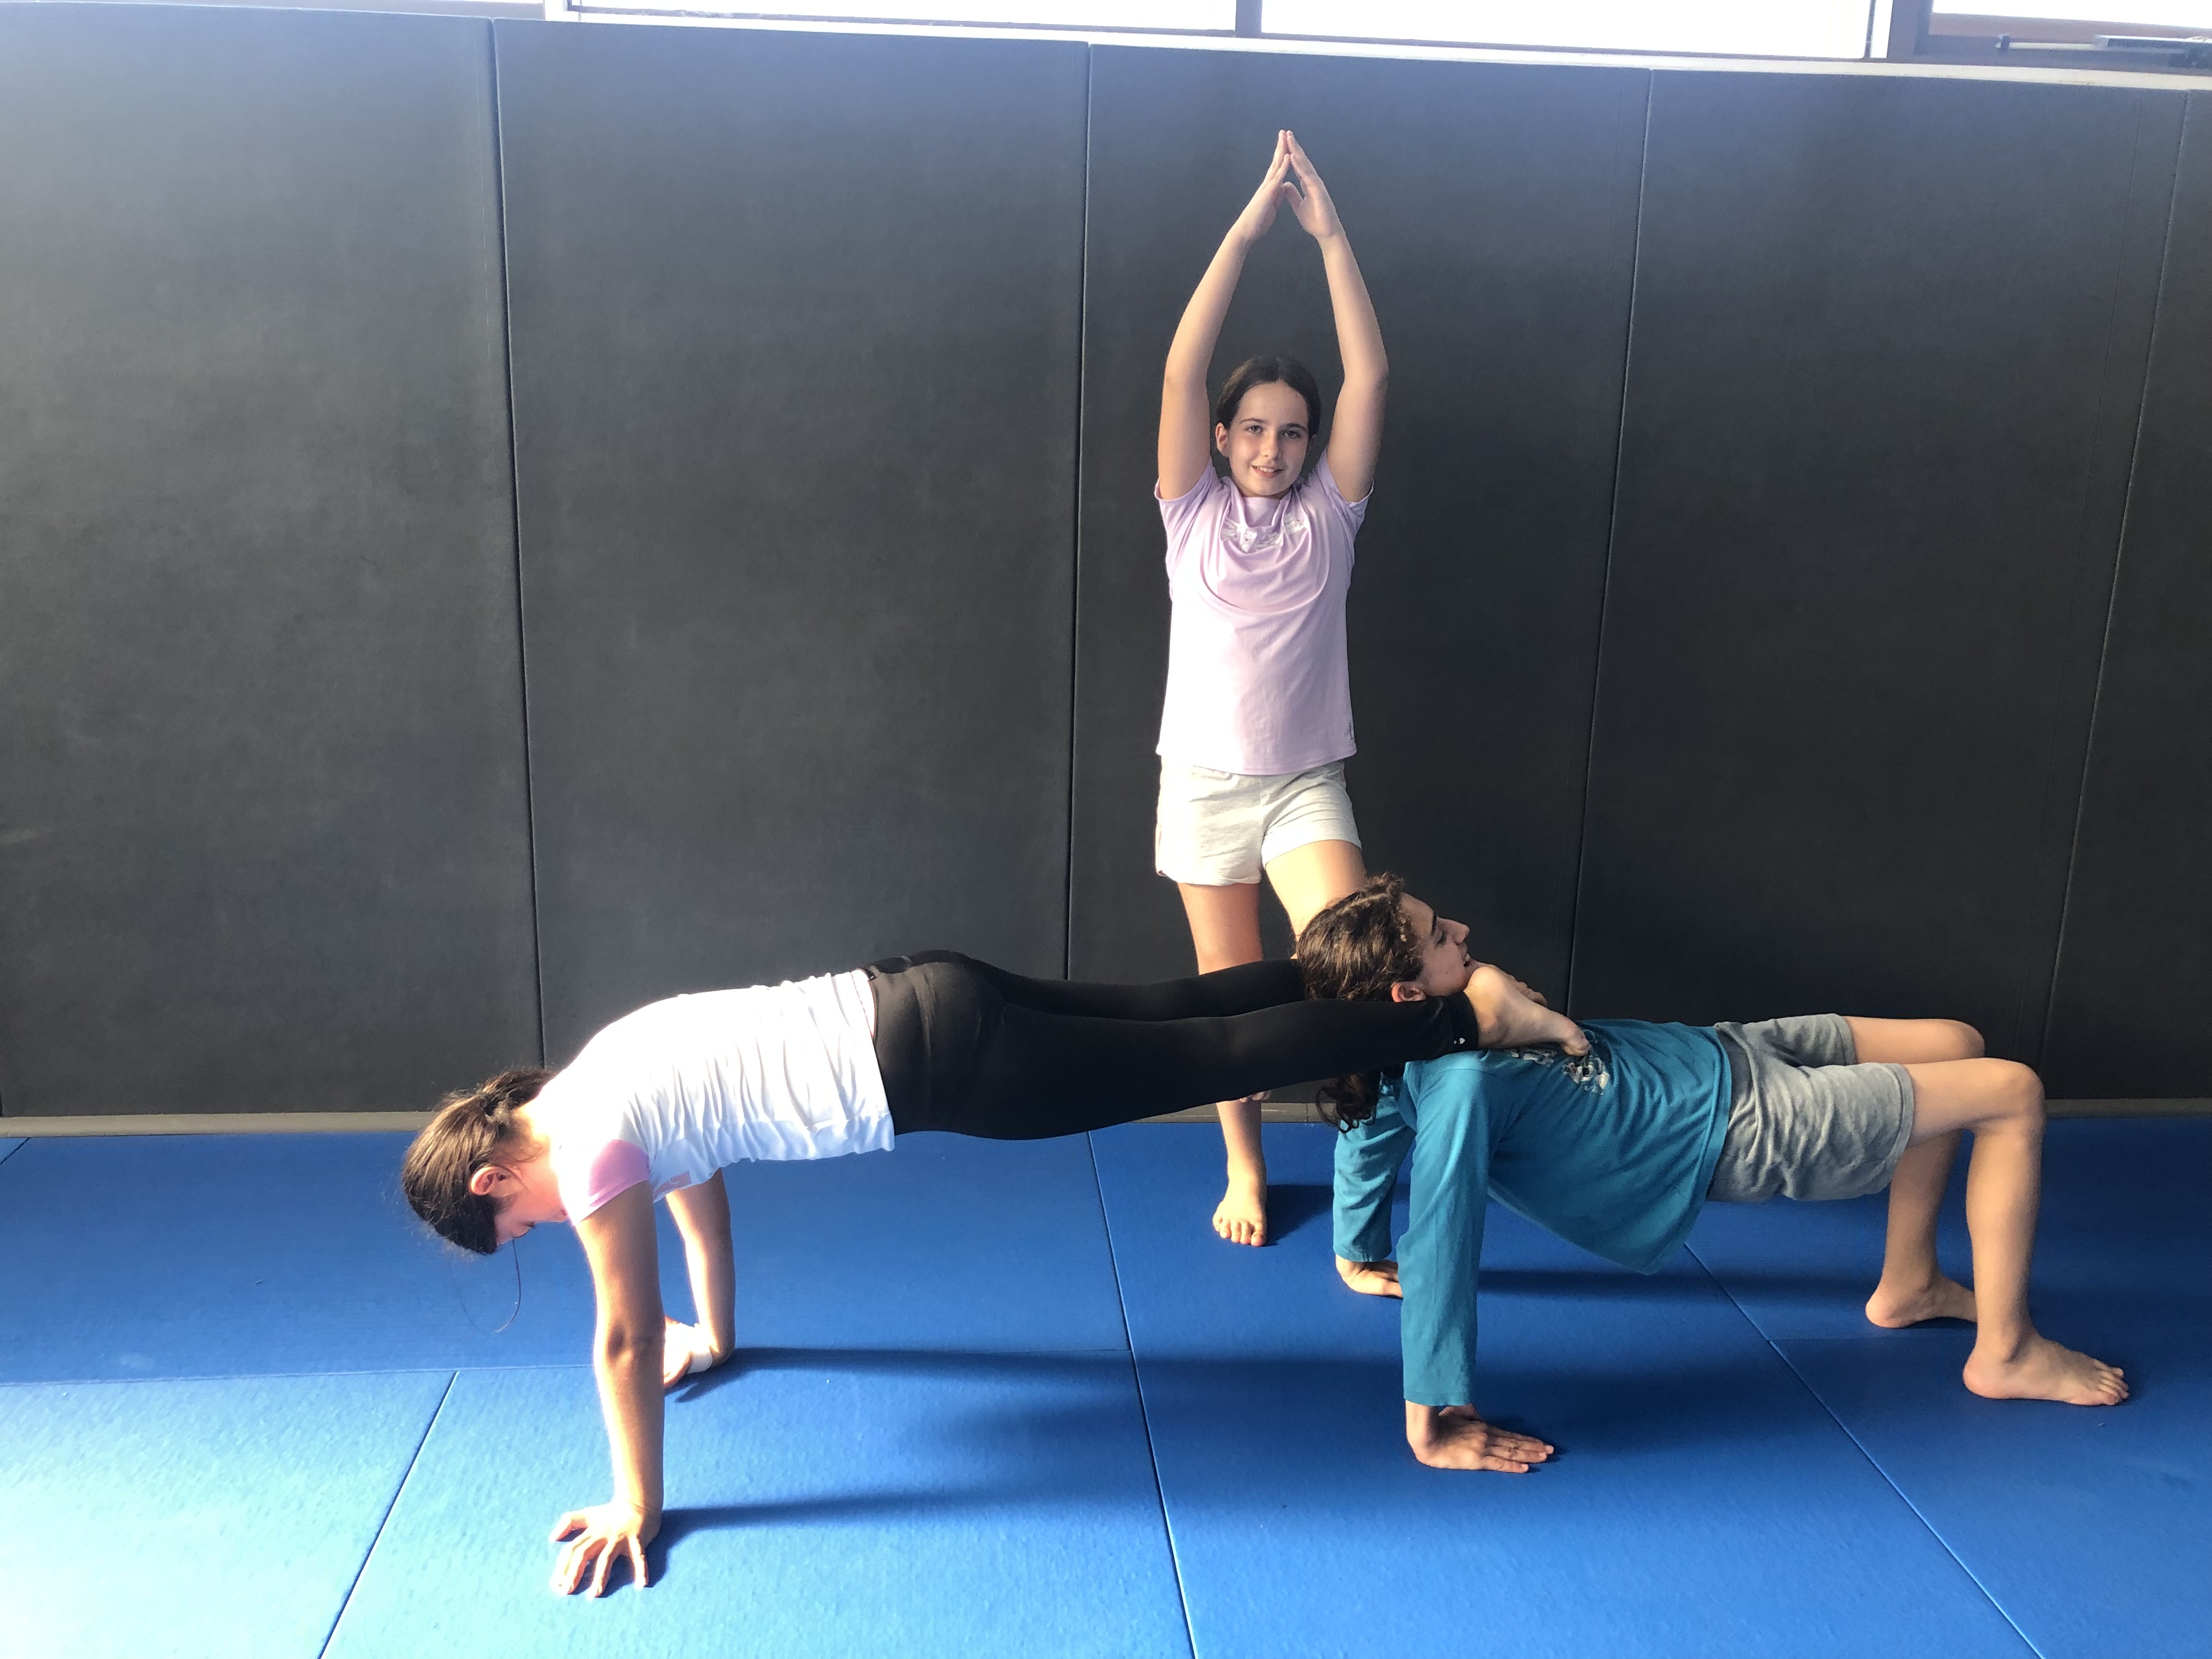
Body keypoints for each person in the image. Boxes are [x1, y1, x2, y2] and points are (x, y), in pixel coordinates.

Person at [401, 947, 1583, 1595]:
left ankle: (1460, 1018)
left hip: (941, 1066)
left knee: (1202, 1058)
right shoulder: (594, 1080)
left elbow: (619, 1337)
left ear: (495, 1178)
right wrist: (714, 1335)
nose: (546, 1230)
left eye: (521, 1229)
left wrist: (637, 1506)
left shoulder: (585, 1148)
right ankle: (1368, 974)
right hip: (923, 988)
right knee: (1167, 1009)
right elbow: (695, 1190)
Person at [1297, 876, 2129, 1476]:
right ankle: (2006, 1352)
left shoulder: (1426, 1038)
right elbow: (1443, 1230)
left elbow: (1364, 1128)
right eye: (1440, 937)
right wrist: (1431, 1415)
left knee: (1958, 1042)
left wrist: (1354, 1250)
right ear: (1405, 996)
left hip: (1722, 1052)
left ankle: (1909, 1283)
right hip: (1735, 1127)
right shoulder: (1458, 1089)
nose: (1463, 929)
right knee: (2013, 1093)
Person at [1154, 129, 1390, 1250]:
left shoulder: (1331, 519)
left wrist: (1333, 239)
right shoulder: (1189, 512)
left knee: (1361, 970)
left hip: (1302, 785)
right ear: (1221, 437)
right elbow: (1180, 370)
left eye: (1292, 432)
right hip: (1204, 787)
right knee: (1234, 994)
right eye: (1253, 428)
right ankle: (1244, 1167)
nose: (1272, 446)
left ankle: (1360, 1179)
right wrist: (1248, 232)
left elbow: (1372, 377)